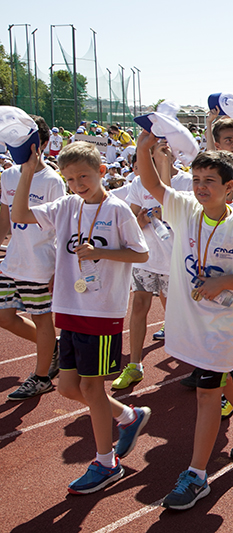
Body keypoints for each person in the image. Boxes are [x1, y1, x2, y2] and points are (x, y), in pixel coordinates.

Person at [136, 132, 233, 510]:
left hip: (225, 323)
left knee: (206, 392)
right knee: (227, 373)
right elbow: (151, 182)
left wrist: (224, 282)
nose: (200, 187)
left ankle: (197, 476)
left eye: (209, 181)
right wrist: (144, 145)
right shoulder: (184, 209)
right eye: (196, 180)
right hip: (195, 320)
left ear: (230, 187)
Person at [12, 140, 150, 494]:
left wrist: (100, 250)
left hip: (101, 311)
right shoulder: (65, 206)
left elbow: (141, 253)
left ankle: (106, 463)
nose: (77, 184)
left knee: (91, 387)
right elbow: (20, 215)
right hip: (69, 308)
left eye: (84, 176)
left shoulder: (117, 209)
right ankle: (127, 416)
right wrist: (28, 173)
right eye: (70, 178)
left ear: (102, 172)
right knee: (68, 387)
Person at [0, 115, 66, 400]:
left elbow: (62, 228)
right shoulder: (8, 175)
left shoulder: (53, 181)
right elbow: (5, 218)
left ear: (42, 143)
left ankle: (42, 377)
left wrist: (58, 269)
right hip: (12, 261)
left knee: (42, 320)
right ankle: (53, 348)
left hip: (40, 264)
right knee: (5, 317)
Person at [112, 147, 175, 390]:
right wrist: (144, 218)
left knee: (175, 314)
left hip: (173, 260)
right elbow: (131, 221)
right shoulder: (138, 184)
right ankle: (135, 364)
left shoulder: (182, 181)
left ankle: (189, 362)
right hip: (146, 258)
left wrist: (167, 211)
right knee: (139, 306)